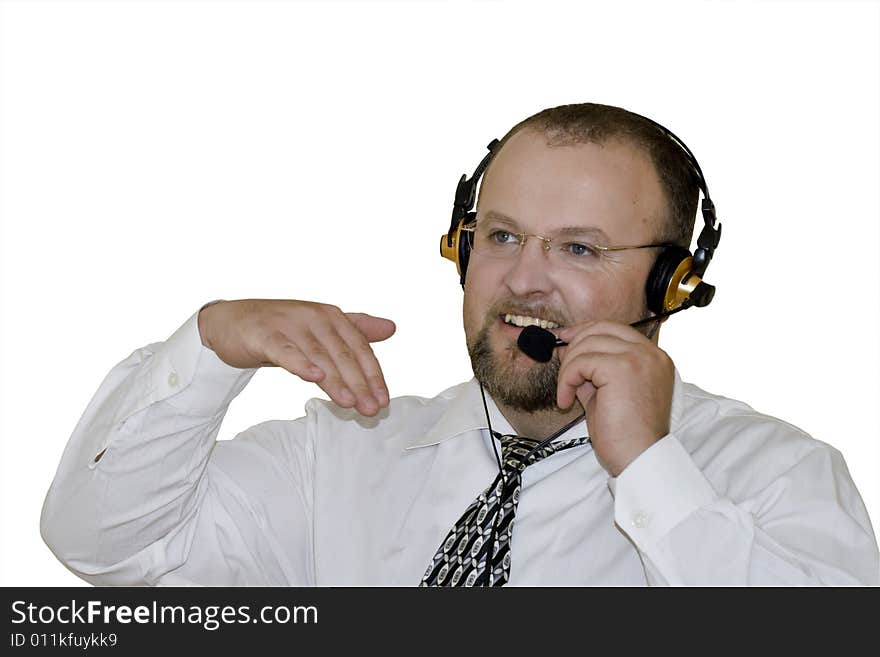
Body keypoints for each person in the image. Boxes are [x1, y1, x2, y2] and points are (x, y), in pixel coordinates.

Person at [41, 103, 879, 586]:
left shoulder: (774, 477)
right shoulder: (342, 451)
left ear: (672, 286)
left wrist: (652, 470)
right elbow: (99, 541)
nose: (522, 280)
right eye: (502, 235)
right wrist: (208, 347)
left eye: (579, 248)